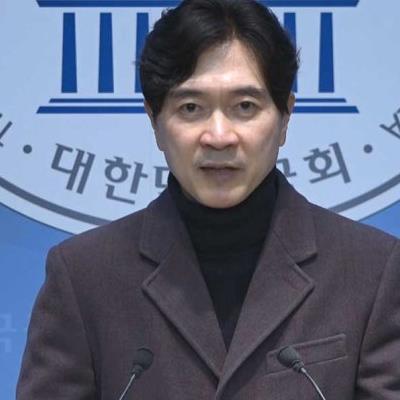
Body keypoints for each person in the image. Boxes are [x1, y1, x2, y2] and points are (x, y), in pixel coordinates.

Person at [17, 0, 400, 399]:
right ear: (154, 121)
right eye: (191, 108)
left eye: (245, 107)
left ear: (285, 116)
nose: (219, 137)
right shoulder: (84, 277)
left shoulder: (370, 271)